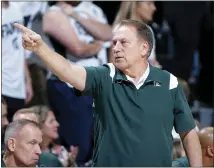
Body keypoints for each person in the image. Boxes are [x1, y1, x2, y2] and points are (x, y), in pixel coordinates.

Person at [14, 19, 202, 166]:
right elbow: (68, 71)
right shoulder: (105, 76)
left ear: (144, 48)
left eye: (123, 42)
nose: (116, 48)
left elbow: (188, 132)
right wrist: (40, 48)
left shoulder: (168, 82)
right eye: (114, 43)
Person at [43, 1, 111, 165]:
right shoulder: (53, 13)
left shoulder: (91, 8)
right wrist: (97, 44)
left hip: (97, 85)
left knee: (100, 142)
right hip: (69, 86)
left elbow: (110, 33)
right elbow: (77, 48)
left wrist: (76, 15)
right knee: (80, 144)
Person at [2, 1, 33, 122]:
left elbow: (21, 50)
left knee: (15, 131)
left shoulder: (16, 8)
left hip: (18, 85)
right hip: (3, 84)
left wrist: (28, 80)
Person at [111, 1, 160, 67]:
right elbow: (113, 67)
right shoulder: (121, 31)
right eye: (149, 3)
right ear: (135, 6)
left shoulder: (149, 30)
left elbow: (152, 60)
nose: (154, 8)